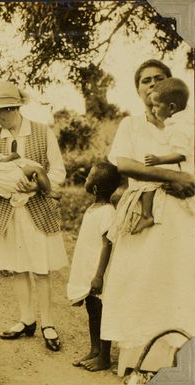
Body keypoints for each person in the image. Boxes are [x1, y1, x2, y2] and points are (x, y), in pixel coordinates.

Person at [100, 59, 195, 376]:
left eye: (160, 78)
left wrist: (186, 181)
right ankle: (140, 365)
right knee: (142, 284)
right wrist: (172, 177)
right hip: (145, 211)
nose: (152, 84)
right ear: (138, 89)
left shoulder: (186, 124)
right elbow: (125, 165)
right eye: (145, 80)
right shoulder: (131, 125)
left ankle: (177, 364)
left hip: (183, 215)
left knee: (179, 286)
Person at [0, 80, 68, 351]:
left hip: (37, 210)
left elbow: (58, 172)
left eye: (1, 112)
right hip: (8, 210)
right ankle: (26, 318)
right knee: (18, 267)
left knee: (40, 269)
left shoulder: (42, 132)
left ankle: (47, 323)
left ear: (14, 107)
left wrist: (36, 185)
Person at [67, 161, 121, 371]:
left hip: (99, 271)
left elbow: (108, 243)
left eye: (89, 176)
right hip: (89, 268)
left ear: (96, 188)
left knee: (101, 310)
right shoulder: (93, 207)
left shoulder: (107, 211)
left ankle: (105, 357)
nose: (86, 178)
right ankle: (95, 350)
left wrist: (99, 275)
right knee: (92, 309)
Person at [132, 77, 194, 234]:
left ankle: (147, 215)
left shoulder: (178, 128)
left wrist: (158, 160)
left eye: (156, 106)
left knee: (149, 180)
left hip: (188, 174)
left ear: (171, 108)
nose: (153, 109)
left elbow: (181, 154)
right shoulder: (186, 122)